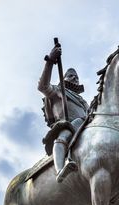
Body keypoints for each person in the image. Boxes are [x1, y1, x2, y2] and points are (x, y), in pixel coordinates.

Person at [38, 44, 89, 183]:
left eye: (76, 77)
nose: (74, 79)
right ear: (64, 78)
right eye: (71, 76)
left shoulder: (83, 101)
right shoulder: (57, 91)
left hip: (86, 127)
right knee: (64, 135)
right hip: (68, 125)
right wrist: (50, 61)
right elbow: (42, 86)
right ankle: (60, 169)